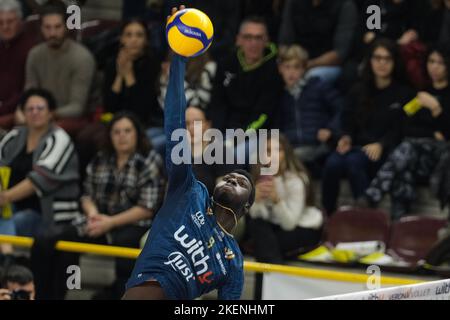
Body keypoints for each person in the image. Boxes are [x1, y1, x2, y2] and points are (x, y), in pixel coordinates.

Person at [122, 6, 256, 301]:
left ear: (247, 207)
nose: (233, 178)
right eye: (232, 176)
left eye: (243, 182)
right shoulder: (188, 190)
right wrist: (178, 56)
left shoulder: (233, 261)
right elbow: (174, 123)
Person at [321, 38, 414, 215]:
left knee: (353, 163)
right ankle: (328, 214)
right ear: (370, 61)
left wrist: (382, 144)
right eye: (377, 58)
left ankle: (365, 217)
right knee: (332, 163)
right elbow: (346, 119)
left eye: (387, 59)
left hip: (383, 149)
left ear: (395, 62)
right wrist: (345, 137)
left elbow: (403, 128)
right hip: (356, 146)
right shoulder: (358, 89)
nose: (382, 63)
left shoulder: (404, 93)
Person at [81, 112, 166, 299]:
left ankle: (124, 292)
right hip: (100, 219)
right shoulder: (101, 159)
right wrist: (93, 214)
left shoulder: (149, 160)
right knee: (63, 235)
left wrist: (110, 222)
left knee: (125, 240)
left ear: (137, 134)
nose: (122, 136)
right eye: (116, 132)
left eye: (127, 131)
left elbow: (147, 208)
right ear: (109, 136)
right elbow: (86, 195)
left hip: (135, 223)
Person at [364, 45, 450, 219]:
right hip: (416, 155)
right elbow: (405, 127)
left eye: (440, 62)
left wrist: (436, 109)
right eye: (431, 61)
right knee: (403, 169)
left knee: (407, 149)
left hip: (441, 158)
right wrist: (432, 134)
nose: (434, 66)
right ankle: (399, 221)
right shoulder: (421, 94)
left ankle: (372, 195)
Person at [0, 88, 81, 249]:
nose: (35, 112)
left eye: (40, 108)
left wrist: (5, 197)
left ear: (51, 113)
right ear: (22, 113)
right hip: (9, 206)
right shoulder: (15, 135)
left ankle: (8, 260)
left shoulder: (59, 139)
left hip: (47, 214)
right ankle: (7, 258)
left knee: (15, 221)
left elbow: (41, 178)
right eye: (30, 109)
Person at [22, 1, 96, 136]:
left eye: (57, 27)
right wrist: (22, 111)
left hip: (71, 120)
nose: (52, 33)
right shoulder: (35, 54)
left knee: (47, 130)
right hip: (40, 114)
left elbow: (77, 107)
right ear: (41, 28)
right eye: (47, 27)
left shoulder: (82, 58)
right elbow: (29, 94)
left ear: (67, 27)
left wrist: (45, 115)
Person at [248, 133, 323, 264]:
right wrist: (256, 199)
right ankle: (273, 272)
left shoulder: (296, 180)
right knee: (256, 226)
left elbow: (289, 224)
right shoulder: (261, 177)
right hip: (276, 227)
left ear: (286, 154)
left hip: (303, 228)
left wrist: (277, 201)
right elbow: (257, 216)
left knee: (263, 245)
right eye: (268, 151)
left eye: (278, 150)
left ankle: (270, 274)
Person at [276, 44, 342, 169]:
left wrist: (331, 129)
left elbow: (341, 109)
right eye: (287, 67)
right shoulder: (280, 95)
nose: (291, 72)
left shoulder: (318, 86)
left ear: (304, 69)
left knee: (290, 160)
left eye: (296, 67)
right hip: (290, 147)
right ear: (280, 69)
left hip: (318, 146)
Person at [103, 19, 164, 154]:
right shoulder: (112, 64)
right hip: (115, 121)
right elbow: (109, 107)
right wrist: (119, 76)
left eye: (139, 35)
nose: (134, 40)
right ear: (121, 39)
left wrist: (129, 75)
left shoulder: (152, 66)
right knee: (90, 137)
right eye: (128, 35)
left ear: (146, 40)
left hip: (146, 123)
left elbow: (141, 111)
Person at [278, 0, 358, 84]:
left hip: (327, 65)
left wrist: (306, 65)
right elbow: (284, 43)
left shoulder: (345, 5)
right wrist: (289, 64)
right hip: (297, 60)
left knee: (312, 77)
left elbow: (340, 53)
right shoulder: (293, 2)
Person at [0, 0, 38, 130]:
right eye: (1, 22)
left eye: (10, 21)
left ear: (20, 21)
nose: (5, 27)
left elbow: (26, 90)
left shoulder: (30, 49)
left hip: (17, 111)